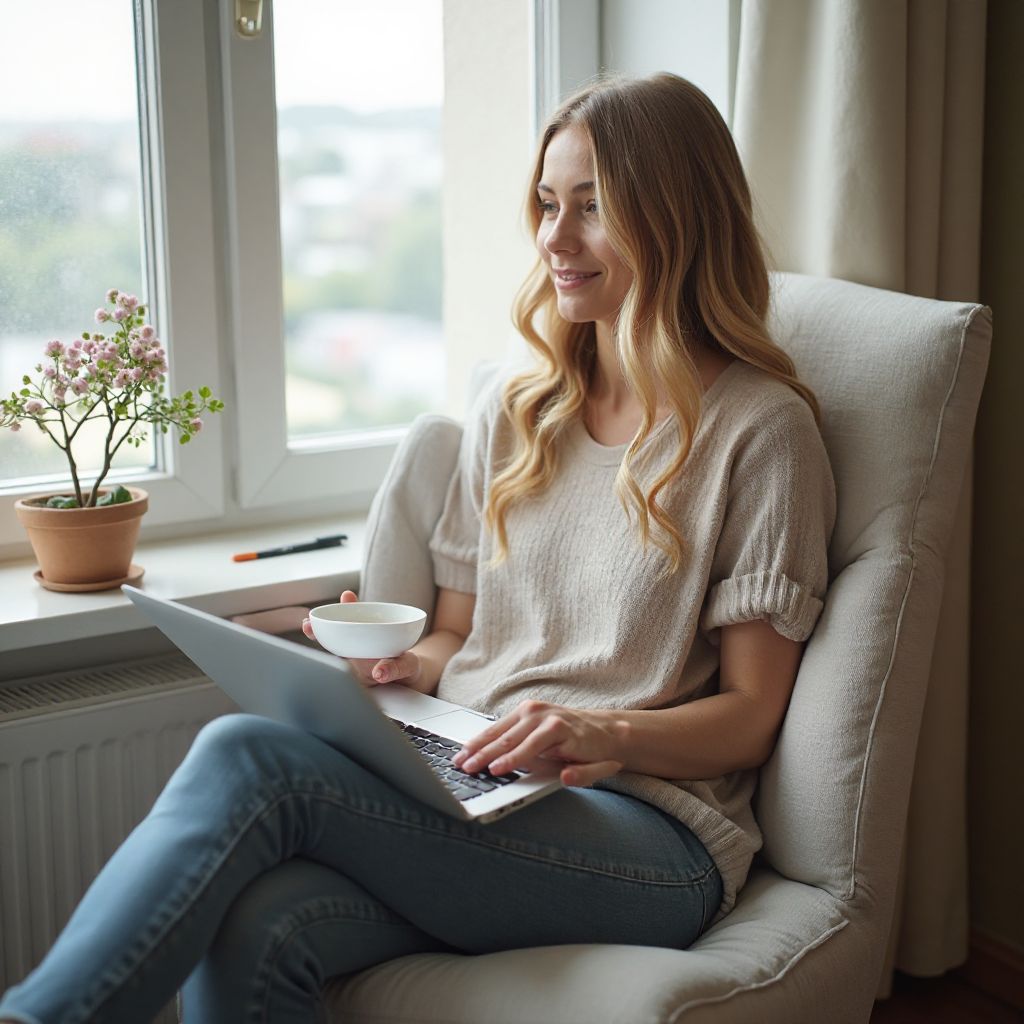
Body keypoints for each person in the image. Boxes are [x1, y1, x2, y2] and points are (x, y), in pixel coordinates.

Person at [0, 71, 835, 1024]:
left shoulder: (760, 433)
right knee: (257, 924)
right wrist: (397, 668)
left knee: (249, 758)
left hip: (651, 837)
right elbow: (458, 637)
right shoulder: (520, 412)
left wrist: (603, 730)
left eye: (594, 208)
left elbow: (752, 716)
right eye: (548, 205)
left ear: (679, 217)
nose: (555, 239)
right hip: (479, 780)